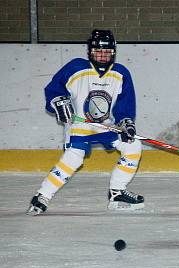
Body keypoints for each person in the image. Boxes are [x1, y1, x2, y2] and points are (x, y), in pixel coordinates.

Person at [27, 29, 144, 215]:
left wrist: (126, 122)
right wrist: (58, 102)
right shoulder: (76, 67)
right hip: (79, 126)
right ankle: (42, 196)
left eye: (107, 52)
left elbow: (125, 104)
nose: (103, 55)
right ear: (90, 51)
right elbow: (53, 89)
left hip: (107, 126)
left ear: (113, 52)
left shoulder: (121, 73)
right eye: (98, 51)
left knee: (133, 147)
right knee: (74, 158)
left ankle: (117, 192)